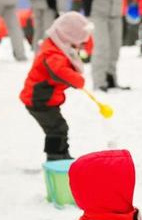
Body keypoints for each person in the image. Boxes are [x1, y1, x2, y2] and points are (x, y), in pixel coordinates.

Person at [19, 12, 90, 161]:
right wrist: (78, 80)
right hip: (38, 100)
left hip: (46, 99)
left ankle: (61, 154)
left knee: (58, 127)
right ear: (69, 36)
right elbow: (59, 71)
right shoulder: (53, 53)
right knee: (57, 128)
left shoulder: (57, 46)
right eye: (78, 41)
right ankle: (56, 157)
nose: (79, 46)